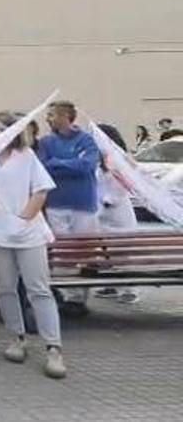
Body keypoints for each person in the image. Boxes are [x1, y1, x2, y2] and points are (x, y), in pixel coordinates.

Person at [0, 112, 66, 379]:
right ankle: (17, 337)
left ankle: (53, 348)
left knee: (38, 289)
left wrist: (24, 218)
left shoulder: (27, 157)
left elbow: (41, 190)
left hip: (28, 233)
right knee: (5, 288)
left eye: (2, 128)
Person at [37, 101, 101, 314]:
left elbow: (88, 165)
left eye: (52, 115)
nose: (48, 119)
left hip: (83, 204)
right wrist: (71, 163)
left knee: (82, 252)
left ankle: (79, 298)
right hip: (56, 203)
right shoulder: (46, 142)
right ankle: (65, 294)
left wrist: (58, 163)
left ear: (66, 116)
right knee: (62, 253)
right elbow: (44, 166)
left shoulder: (86, 140)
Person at [94, 124, 140, 304]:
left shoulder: (120, 161)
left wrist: (108, 200)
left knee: (122, 254)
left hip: (117, 212)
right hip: (101, 213)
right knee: (105, 254)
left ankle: (129, 289)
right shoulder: (97, 161)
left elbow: (123, 186)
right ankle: (110, 284)